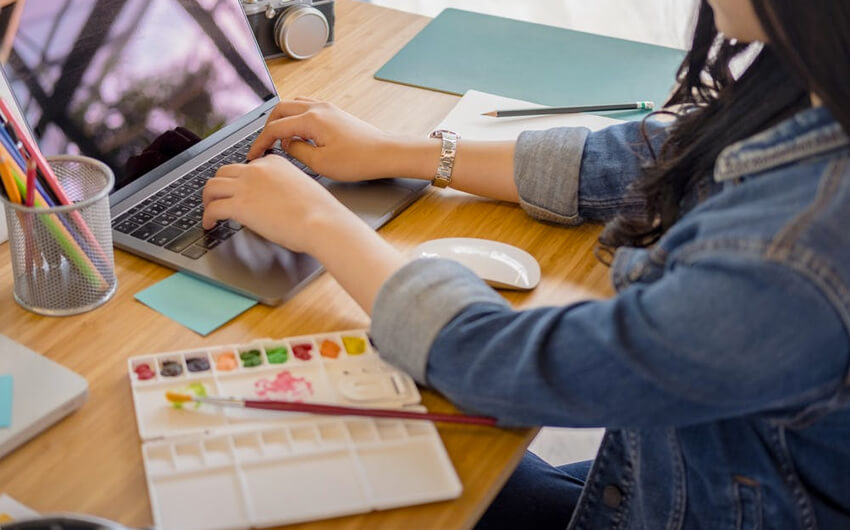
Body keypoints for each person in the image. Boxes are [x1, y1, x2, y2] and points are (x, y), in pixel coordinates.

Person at [202, 0, 850, 527]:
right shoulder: (816, 89)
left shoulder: (791, 257)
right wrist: (403, 153)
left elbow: (511, 365)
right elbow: (649, 154)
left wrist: (321, 222)